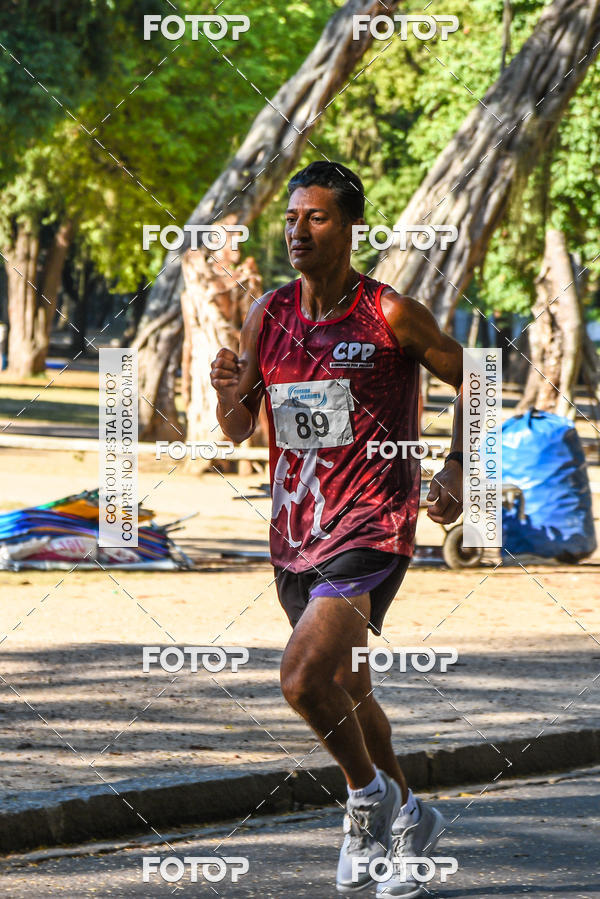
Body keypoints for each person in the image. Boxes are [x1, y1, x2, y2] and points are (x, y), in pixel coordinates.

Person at [210, 161, 463, 897]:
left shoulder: (390, 314)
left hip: (372, 526)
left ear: (351, 228)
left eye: (316, 218)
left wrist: (453, 469)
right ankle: (411, 816)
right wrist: (228, 395)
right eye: (291, 218)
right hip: (295, 533)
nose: (298, 230)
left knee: (301, 676)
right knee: (350, 688)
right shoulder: (269, 314)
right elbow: (236, 430)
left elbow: (473, 375)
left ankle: (365, 800)